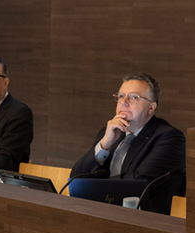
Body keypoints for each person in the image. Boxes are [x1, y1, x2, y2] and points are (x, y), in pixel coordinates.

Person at [71, 72, 186, 215]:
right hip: (105, 214)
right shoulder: (109, 133)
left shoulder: (169, 138)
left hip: (145, 222)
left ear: (151, 107)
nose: (124, 102)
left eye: (134, 97)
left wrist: (87, 188)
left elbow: (134, 187)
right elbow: (75, 180)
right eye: (120, 96)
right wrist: (105, 145)